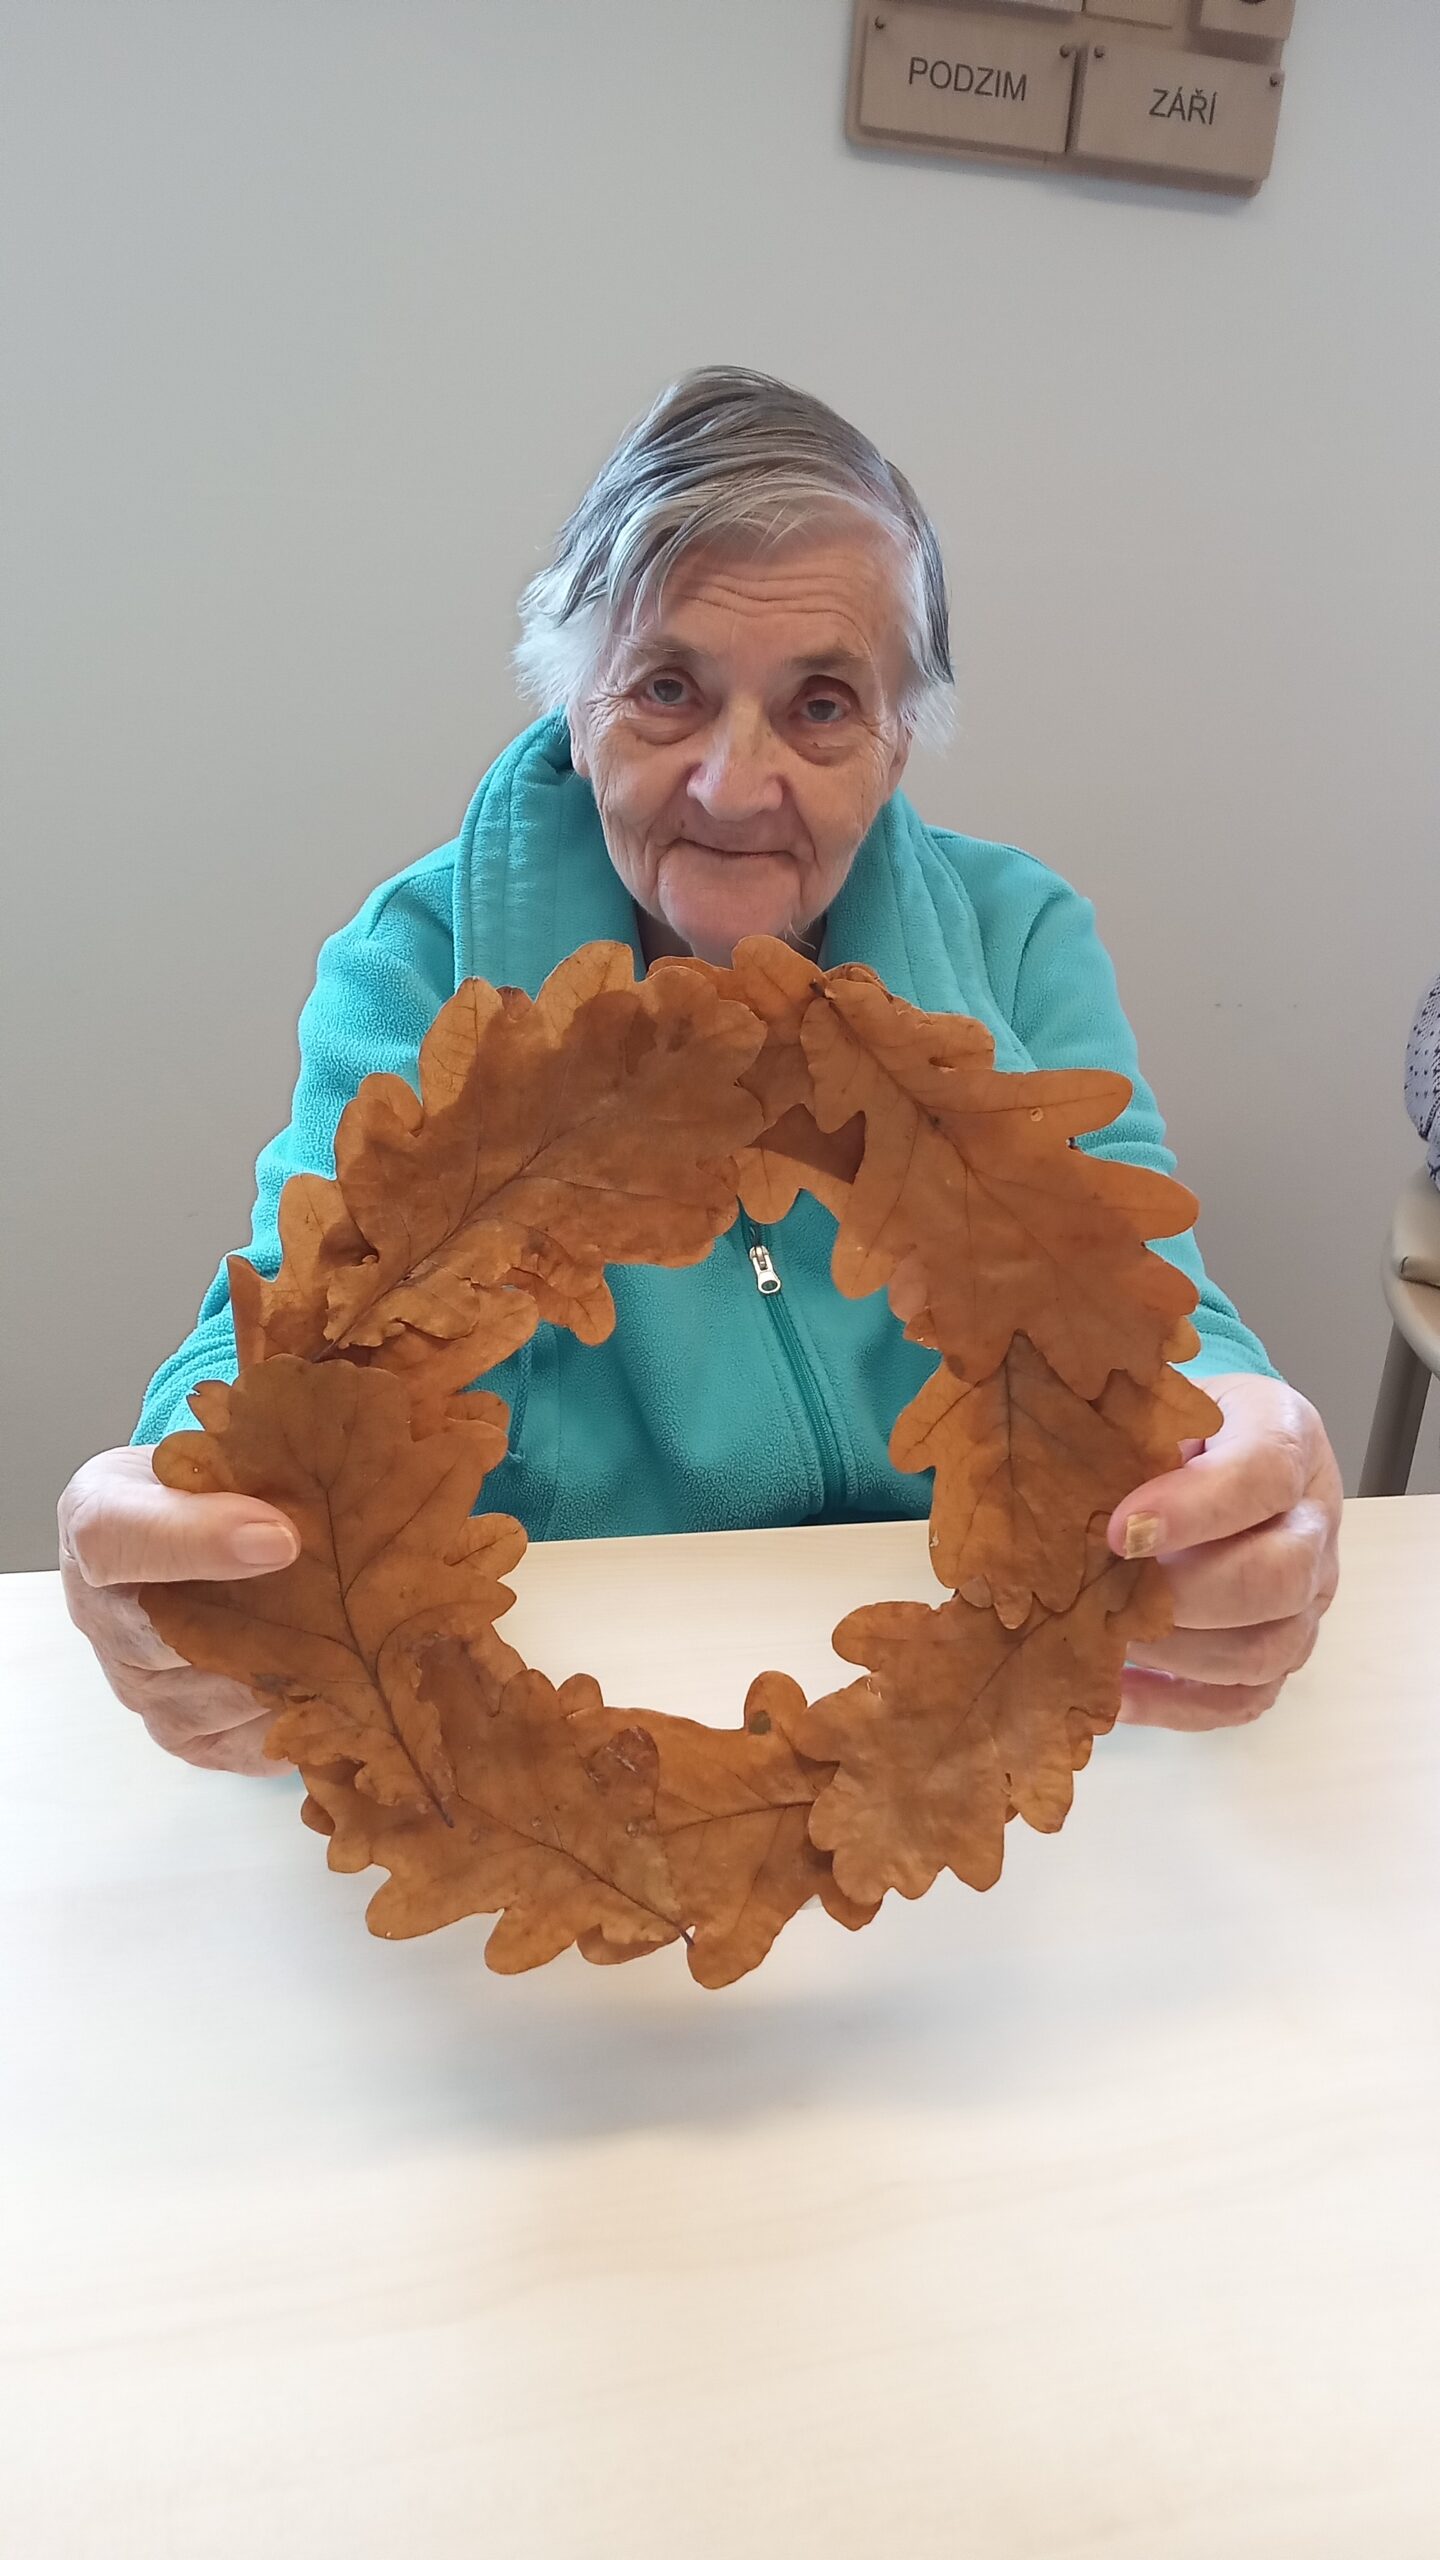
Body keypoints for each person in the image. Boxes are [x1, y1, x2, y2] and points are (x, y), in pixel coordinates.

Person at [58, 367, 1342, 1775]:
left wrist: (1242, 1450)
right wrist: (182, 1502)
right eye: (668, 690)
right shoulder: (418, 964)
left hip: (965, 1716)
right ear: (572, 700)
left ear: (900, 741)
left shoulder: (1018, 941)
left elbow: (1159, 1320)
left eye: (822, 705)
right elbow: (286, 1339)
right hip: (535, 1710)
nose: (736, 785)